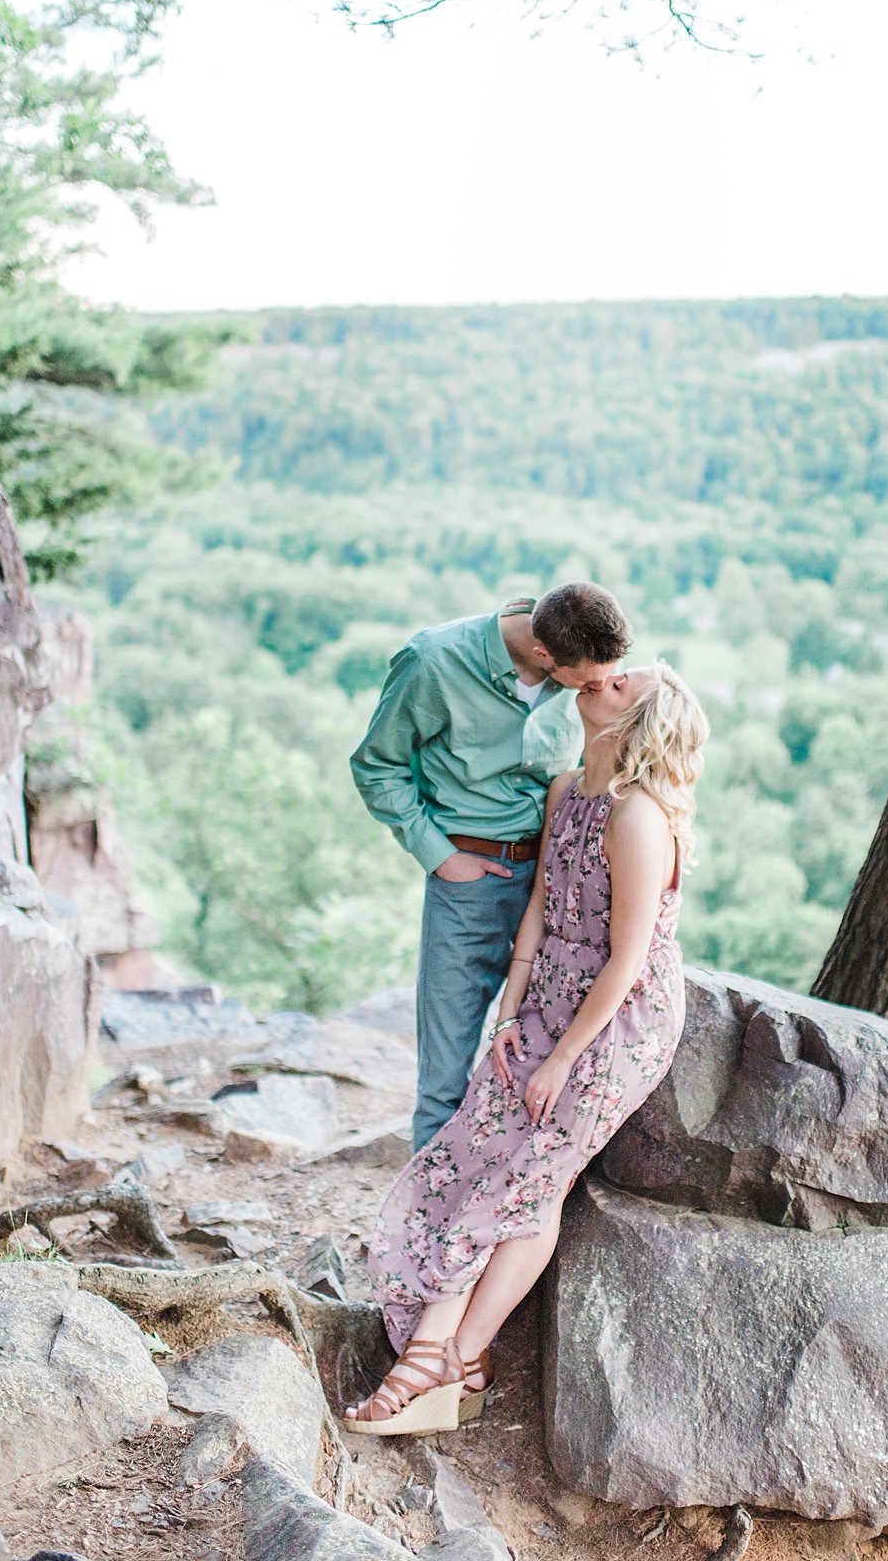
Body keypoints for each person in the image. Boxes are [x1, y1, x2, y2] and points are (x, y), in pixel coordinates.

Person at [344, 659, 708, 1436]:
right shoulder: (568, 789)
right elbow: (542, 904)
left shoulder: (639, 817)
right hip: (546, 998)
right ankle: (458, 1365)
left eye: (621, 686)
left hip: (616, 1024)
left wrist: (563, 1058)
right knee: (476, 1151)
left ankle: (443, 1356)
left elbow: (628, 961)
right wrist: (510, 1016)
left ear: (637, 723)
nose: (600, 682)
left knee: (530, 1178)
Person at [350, 584, 632, 1152]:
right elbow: (376, 765)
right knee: (445, 1077)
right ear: (546, 656)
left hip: (561, 890)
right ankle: (424, 1232)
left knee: (548, 1065)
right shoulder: (433, 662)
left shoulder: (577, 648)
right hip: (469, 881)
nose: (601, 687)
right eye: (590, 680)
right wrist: (442, 857)